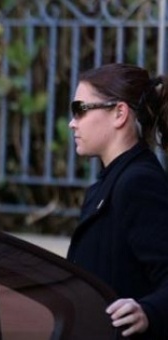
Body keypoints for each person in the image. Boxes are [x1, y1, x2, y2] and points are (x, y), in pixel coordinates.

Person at [67, 63, 168, 339]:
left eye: (80, 110)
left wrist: (149, 311)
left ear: (119, 113)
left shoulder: (138, 183)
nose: (72, 122)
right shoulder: (109, 183)